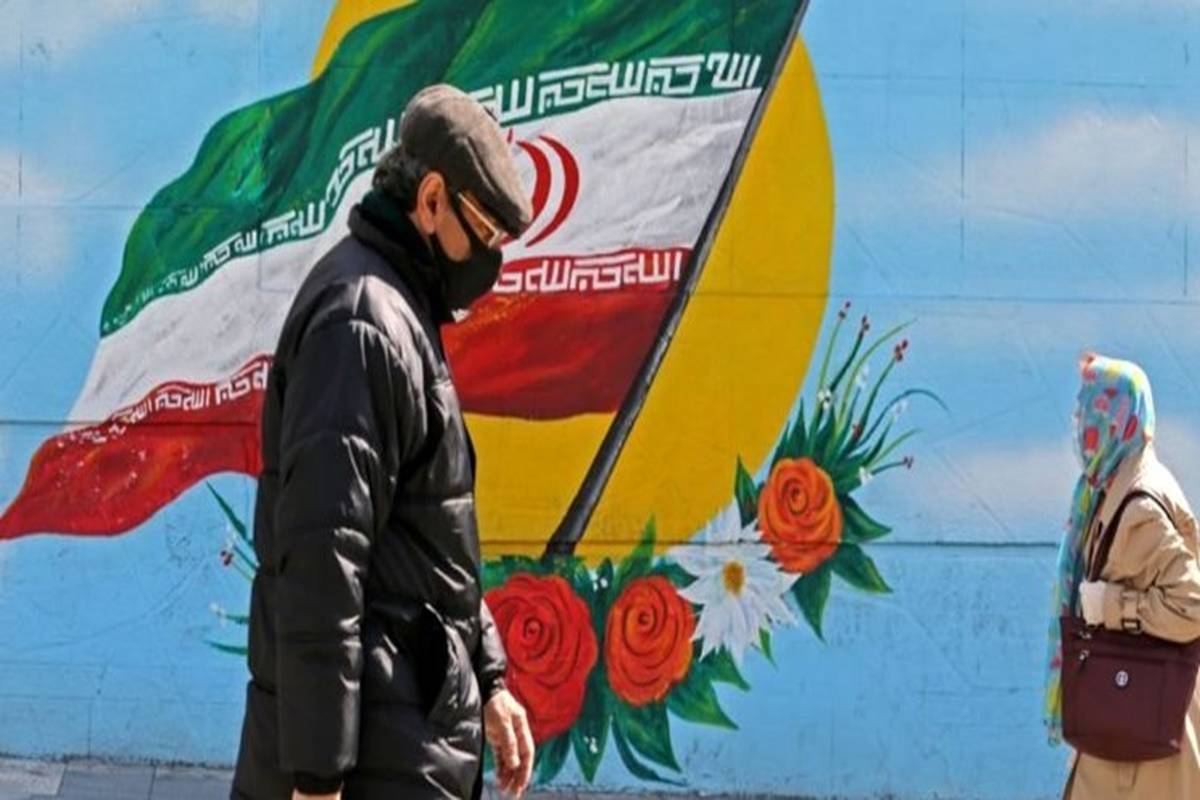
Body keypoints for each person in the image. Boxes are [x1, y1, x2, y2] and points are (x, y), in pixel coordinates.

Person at [231, 85, 536, 800]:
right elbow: (322, 561)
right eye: (484, 233)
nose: (489, 261)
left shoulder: (396, 308)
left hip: (399, 733)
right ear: (431, 201)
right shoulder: (361, 324)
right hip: (370, 758)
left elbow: (427, 544)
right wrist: (317, 779)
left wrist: (488, 677)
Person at [1045, 353, 1200, 798]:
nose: (1078, 422)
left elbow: (1192, 606)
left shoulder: (1139, 508)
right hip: (1132, 721)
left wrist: (1110, 606)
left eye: (1088, 409)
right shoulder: (1116, 486)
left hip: (1139, 739)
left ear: (1114, 419)